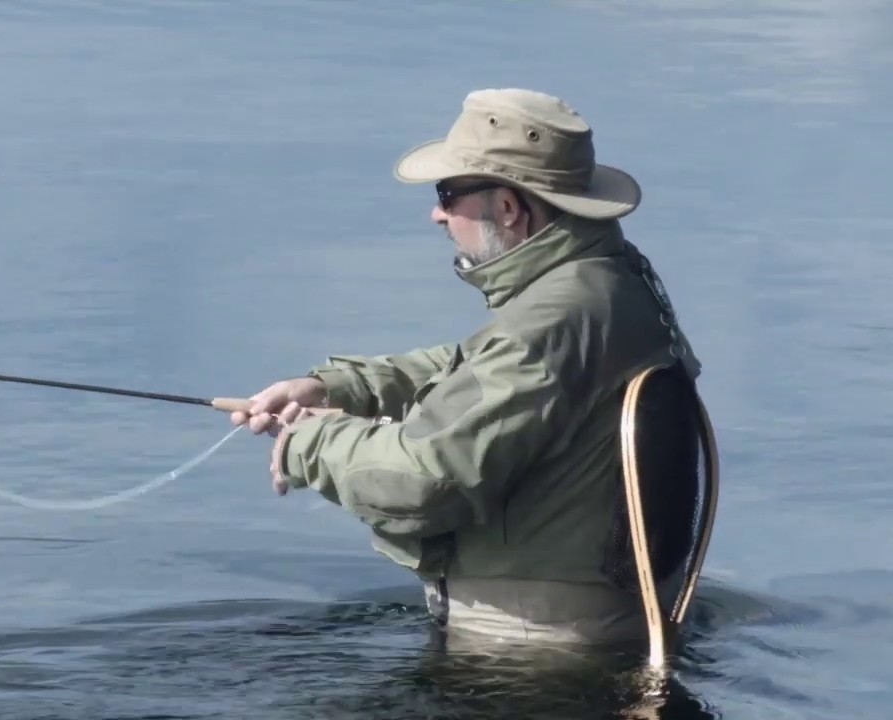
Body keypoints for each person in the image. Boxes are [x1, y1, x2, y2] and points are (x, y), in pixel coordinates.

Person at [230, 88, 708, 648]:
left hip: (530, 650)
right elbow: (484, 366)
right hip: (607, 619)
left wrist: (309, 441)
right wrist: (340, 386)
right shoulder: (608, 282)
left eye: (448, 194)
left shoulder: (551, 321)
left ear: (508, 207)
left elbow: (426, 480)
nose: (437, 214)